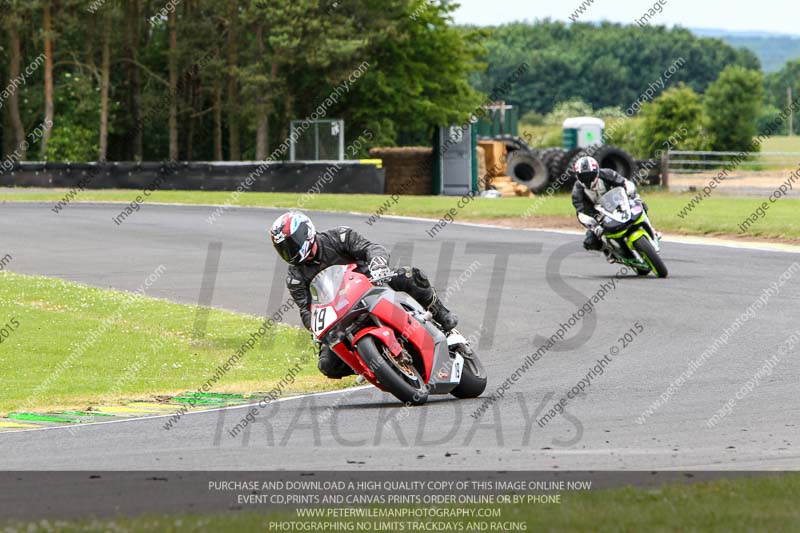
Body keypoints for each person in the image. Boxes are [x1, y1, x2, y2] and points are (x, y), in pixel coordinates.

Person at [269, 211, 458, 379]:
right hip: (340, 314)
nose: (289, 251)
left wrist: (377, 263)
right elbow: (305, 309)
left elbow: (371, 248)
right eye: (283, 248)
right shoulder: (295, 277)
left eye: (291, 244)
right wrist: (314, 327)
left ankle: (442, 316)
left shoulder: (339, 237)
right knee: (327, 365)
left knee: (412, 276)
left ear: (305, 233)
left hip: (371, 285)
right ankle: (373, 366)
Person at [570, 156, 659, 261]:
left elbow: (624, 183)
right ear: (577, 176)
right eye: (583, 176)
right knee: (590, 242)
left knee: (640, 205)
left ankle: (652, 230)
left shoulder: (607, 174)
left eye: (590, 175)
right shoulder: (577, 192)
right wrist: (594, 224)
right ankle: (609, 251)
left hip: (618, 203)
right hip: (598, 215)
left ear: (597, 172)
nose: (587, 179)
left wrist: (631, 192)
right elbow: (581, 212)